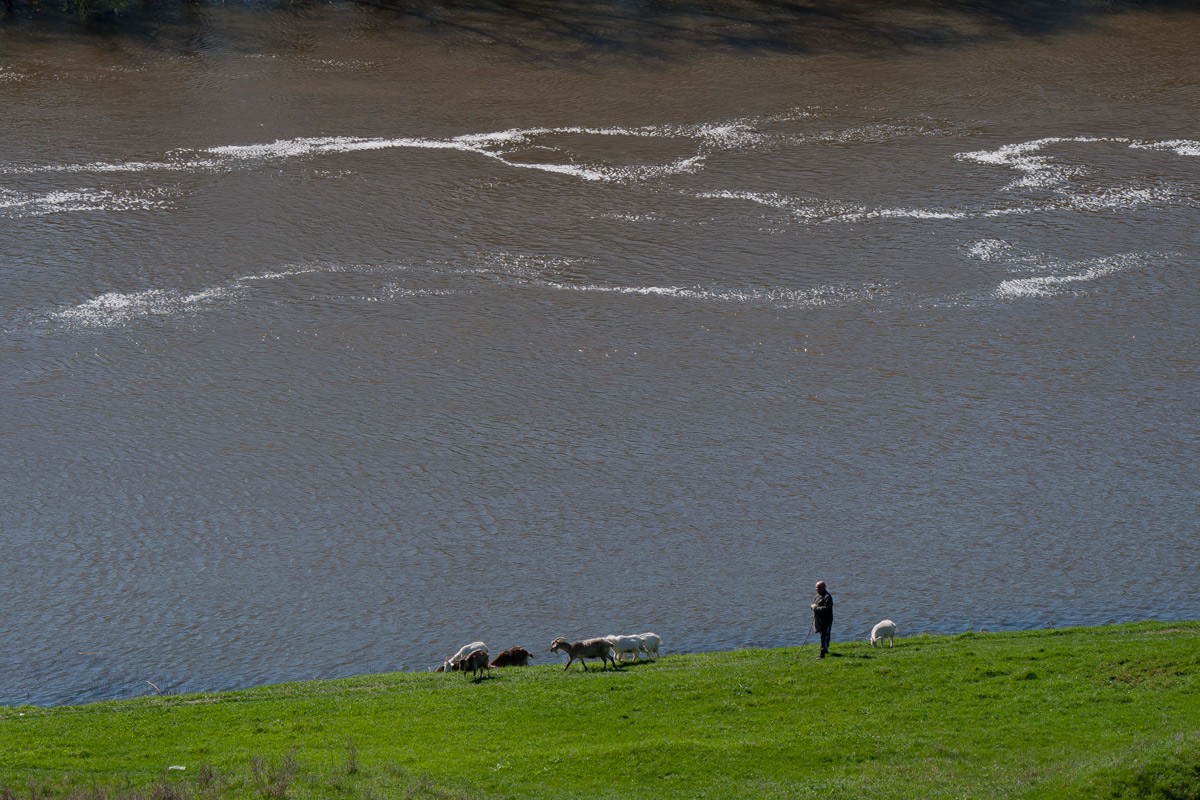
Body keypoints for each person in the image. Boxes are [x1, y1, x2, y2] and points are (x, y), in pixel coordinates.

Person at [810, 580, 833, 658]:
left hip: (826, 620)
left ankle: (822, 654)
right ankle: (825, 648)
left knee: (824, 636)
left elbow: (826, 609)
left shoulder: (827, 597)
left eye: (817, 587)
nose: (816, 589)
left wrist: (816, 608)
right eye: (816, 587)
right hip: (819, 619)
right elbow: (814, 604)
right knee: (822, 635)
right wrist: (812, 606)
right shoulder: (817, 595)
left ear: (823, 587)